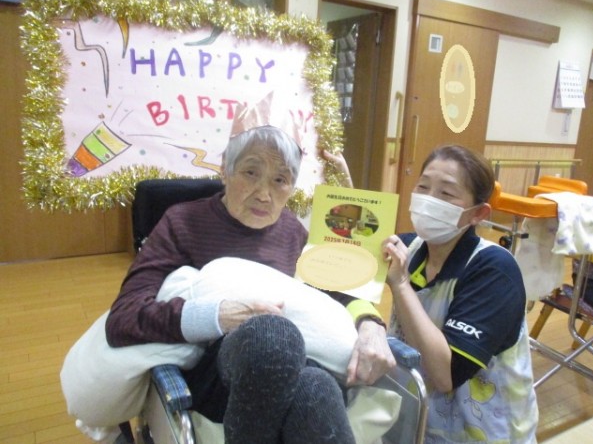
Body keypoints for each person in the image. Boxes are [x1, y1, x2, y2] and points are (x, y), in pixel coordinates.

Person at [106, 124, 395, 444]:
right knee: (273, 335)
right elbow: (123, 317)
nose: (264, 194)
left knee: (317, 387)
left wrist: (371, 324)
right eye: (251, 173)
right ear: (225, 170)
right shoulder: (182, 223)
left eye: (280, 180)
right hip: (215, 374)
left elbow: (337, 292)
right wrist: (217, 316)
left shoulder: (292, 232)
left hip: (299, 368)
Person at [382, 145, 538, 443]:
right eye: (423, 187)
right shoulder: (410, 248)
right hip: (423, 425)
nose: (429, 200)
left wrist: (401, 285)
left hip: (485, 433)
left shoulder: (495, 270)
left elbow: (446, 375)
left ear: (478, 213)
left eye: (446, 193)